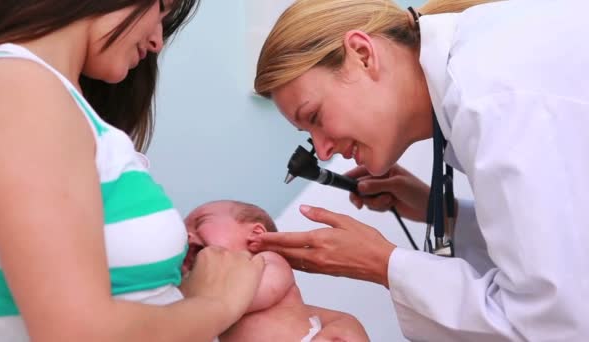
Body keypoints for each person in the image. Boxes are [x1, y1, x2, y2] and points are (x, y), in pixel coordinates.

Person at [250, 0, 589, 340]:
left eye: (315, 117)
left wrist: (382, 264)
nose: (322, 151)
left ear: (362, 54)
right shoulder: (479, 63)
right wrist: (447, 213)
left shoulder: (490, 101)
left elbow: (557, 323)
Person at [0, 1, 265, 341]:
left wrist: (189, 302)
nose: (158, 41)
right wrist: (216, 304)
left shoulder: (45, 96)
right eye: (162, 8)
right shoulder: (18, 88)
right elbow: (78, 332)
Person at [183, 200, 370, 342]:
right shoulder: (207, 301)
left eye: (200, 222)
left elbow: (252, 295)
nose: (187, 235)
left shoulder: (267, 261)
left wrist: (192, 298)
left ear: (256, 234)